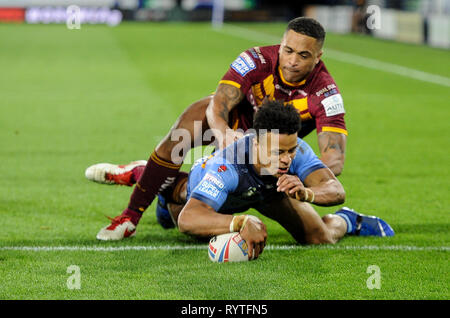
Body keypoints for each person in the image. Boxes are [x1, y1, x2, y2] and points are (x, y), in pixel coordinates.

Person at [86, 17, 349, 240]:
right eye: (288, 50)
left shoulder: (326, 93)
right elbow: (219, 103)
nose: (291, 61)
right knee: (190, 124)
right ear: (281, 45)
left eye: (303, 55)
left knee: (318, 238)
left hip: (273, 157)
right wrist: (224, 134)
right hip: (235, 130)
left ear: (318, 57)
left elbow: (334, 158)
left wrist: (303, 180)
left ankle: (348, 221)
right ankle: (130, 217)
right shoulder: (255, 59)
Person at [89, 102, 393, 254]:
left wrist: (307, 194)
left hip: (265, 193)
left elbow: (335, 188)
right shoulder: (226, 166)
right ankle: (152, 179)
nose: (287, 159)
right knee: (183, 219)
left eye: (290, 150)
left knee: (318, 238)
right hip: (209, 195)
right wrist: (239, 222)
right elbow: (192, 218)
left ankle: (349, 221)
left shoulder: (294, 148)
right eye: (279, 152)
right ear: (255, 142)